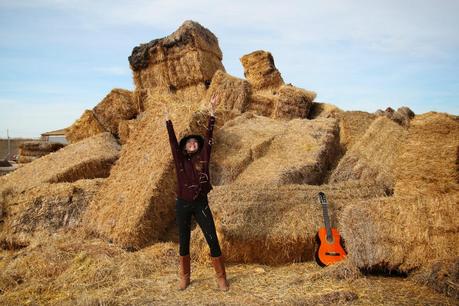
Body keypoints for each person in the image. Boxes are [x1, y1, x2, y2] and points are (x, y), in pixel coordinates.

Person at [164, 94, 229, 291]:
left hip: (201, 203)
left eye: (194, 142)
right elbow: (173, 142)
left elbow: (209, 138)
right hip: (182, 204)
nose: (192, 144)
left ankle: (221, 278)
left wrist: (212, 112)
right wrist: (168, 120)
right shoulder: (180, 160)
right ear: (184, 147)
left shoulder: (203, 159)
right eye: (188, 143)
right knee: (184, 241)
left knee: (212, 238)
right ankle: (184, 277)